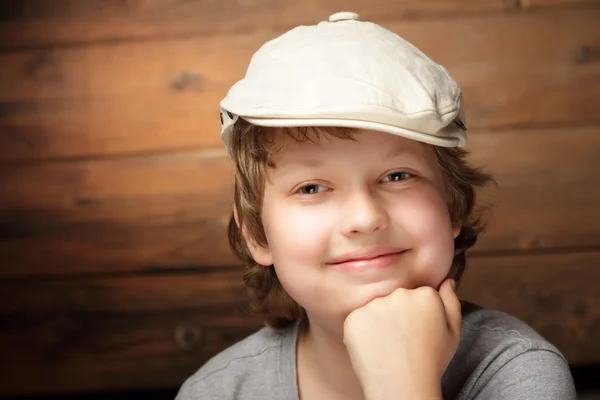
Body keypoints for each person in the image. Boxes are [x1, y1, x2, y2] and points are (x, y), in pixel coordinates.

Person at [176, 11, 576, 400]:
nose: (365, 219)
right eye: (312, 187)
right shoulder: (216, 391)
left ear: (452, 207)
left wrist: (403, 386)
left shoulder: (516, 373)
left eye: (397, 176)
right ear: (258, 236)